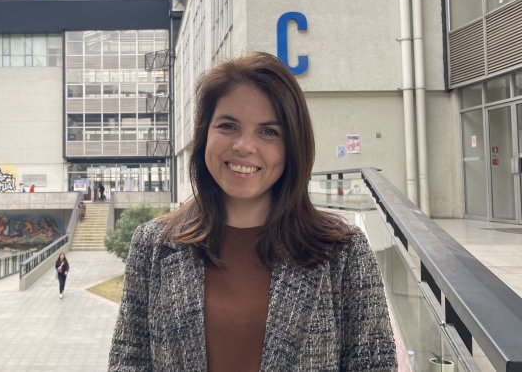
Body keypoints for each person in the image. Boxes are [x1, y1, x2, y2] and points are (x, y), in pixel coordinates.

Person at [109, 52, 396, 371]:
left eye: (269, 131)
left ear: (293, 146)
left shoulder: (344, 251)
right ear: (206, 136)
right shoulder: (152, 245)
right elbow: (128, 362)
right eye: (228, 125)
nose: (244, 146)